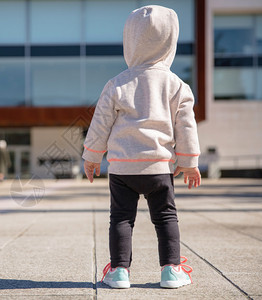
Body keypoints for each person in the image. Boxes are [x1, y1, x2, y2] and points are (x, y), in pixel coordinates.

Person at [83, 5, 201, 289]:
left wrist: (92, 157)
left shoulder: (117, 84)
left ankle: (119, 272)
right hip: (159, 168)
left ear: (130, 41)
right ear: (170, 41)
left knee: (121, 218)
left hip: (123, 169)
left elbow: (100, 124)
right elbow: (186, 125)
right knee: (166, 217)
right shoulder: (176, 85)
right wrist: (189, 161)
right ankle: (171, 270)